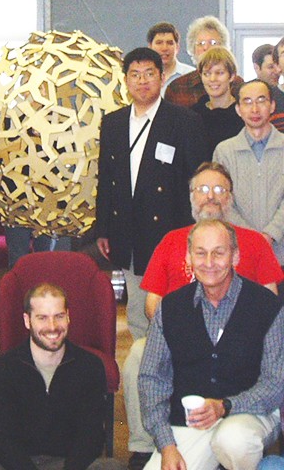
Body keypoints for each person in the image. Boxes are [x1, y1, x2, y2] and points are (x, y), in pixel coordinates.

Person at [120, 162, 282, 470]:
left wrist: (226, 406)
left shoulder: (265, 305)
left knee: (232, 441)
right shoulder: (173, 306)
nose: (209, 262)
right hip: (192, 415)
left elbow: (275, 382)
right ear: (189, 256)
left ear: (235, 256)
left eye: (219, 253)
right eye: (201, 253)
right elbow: (153, 378)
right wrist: (166, 445)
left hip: (245, 411)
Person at [96, 47, 205, 341]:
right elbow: (106, 178)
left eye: (149, 74)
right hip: (129, 231)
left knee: (175, 307)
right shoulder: (113, 123)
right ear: (126, 80)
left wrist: (193, 231)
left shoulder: (183, 120)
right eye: (135, 74)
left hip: (171, 230)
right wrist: (103, 227)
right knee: (138, 309)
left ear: (161, 77)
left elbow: (195, 180)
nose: (142, 81)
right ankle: (144, 373)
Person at [0, 283, 125, 470]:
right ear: (27, 320)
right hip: (17, 465)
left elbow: (91, 438)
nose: (52, 327)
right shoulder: (2, 369)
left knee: (113, 467)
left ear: (68, 317)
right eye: (42, 318)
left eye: (59, 316)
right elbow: (3, 442)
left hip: (71, 465)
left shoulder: (90, 366)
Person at [213, 79, 284, 265]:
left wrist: (271, 234)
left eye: (261, 101)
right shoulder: (224, 151)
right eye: (247, 102)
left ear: (272, 106)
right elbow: (221, 200)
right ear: (238, 109)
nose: (255, 109)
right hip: (240, 252)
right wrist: (252, 237)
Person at [164, 16, 243, 108]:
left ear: (223, 47)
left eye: (213, 43)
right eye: (201, 43)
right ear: (193, 49)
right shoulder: (177, 88)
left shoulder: (238, 84)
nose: (206, 48)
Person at [190, 48, 244, 155]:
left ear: (232, 76)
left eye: (219, 73)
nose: (212, 79)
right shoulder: (193, 115)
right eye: (207, 74)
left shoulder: (243, 114)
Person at [146, 22, 195, 95]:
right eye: (159, 43)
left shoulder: (192, 76)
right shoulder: (142, 79)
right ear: (150, 47)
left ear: (177, 48)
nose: (164, 48)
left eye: (169, 43)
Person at [252, 44, 284, 132]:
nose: (276, 71)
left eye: (277, 65)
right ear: (256, 68)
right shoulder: (247, 94)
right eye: (270, 67)